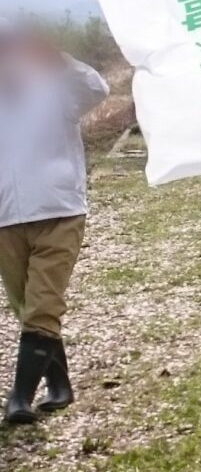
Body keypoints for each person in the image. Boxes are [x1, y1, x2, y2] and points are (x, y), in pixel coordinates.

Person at [0, 21, 109, 425]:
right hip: (5, 218)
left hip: (58, 209)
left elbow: (96, 89)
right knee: (28, 307)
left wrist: (60, 62)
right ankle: (60, 386)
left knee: (43, 303)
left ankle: (19, 398)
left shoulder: (54, 83)